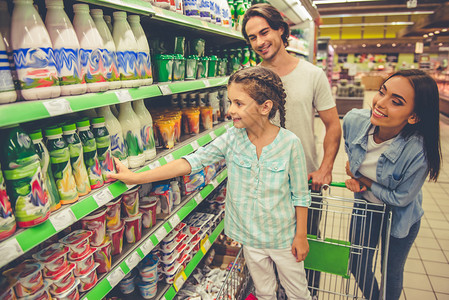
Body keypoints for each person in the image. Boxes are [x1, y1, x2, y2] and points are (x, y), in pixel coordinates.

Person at [109, 66, 312, 300]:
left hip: (283, 237)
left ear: (265, 107)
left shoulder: (290, 144)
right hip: (251, 238)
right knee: (264, 291)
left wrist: (301, 236)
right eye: (230, 102)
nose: (230, 111)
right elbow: (191, 162)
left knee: (298, 292)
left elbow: (300, 194)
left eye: (238, 103)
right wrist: (134, 177)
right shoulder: (232, 139)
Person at [241, 4, 342, 296]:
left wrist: (325, 168)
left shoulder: (313, 74)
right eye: (252, 38)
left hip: (304, 181)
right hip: (262, 184)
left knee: (304, 250)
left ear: (281, 30)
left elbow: (333, 125)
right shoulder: (248, 79)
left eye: (264, 32)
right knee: (264, 259)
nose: (260, 42)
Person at [343, 69, 441, 300]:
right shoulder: (354, 121)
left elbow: (401, 198)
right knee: (357, 263)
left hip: (400, 215)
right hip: (366, 208)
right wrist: (356, 179)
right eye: (382, 92)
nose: (380, 103)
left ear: (414, 116)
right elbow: (353, 158)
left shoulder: (418, 151)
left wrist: (363, 181)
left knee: (391, 272)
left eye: (396, 102)